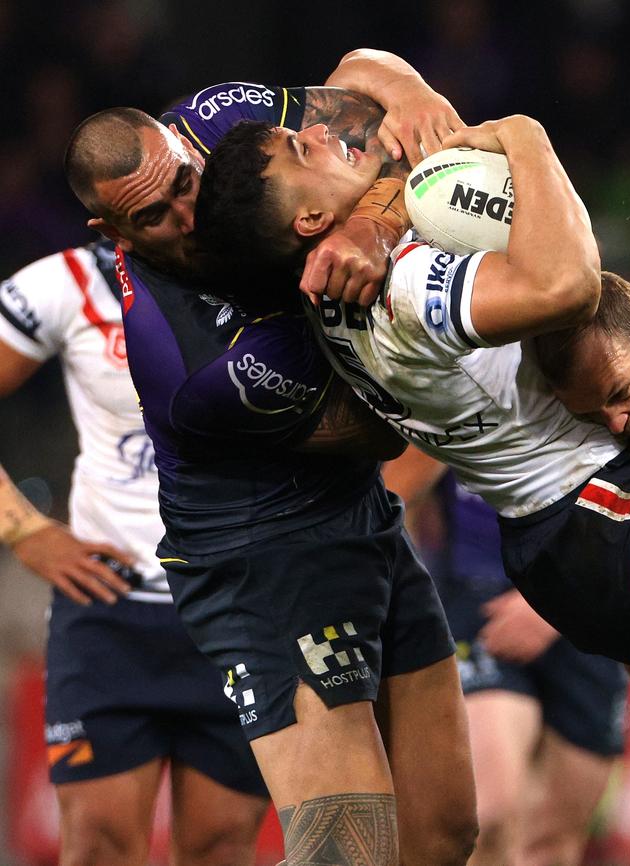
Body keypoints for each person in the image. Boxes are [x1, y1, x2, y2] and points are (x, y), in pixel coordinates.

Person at [63, 55, 479, 866]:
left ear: (182, 147)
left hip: (362, 518)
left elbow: (368, 78)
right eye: (154, 219)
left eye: (185, 184)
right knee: (346, 853)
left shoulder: (216, 124)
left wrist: (374, 216)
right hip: (263, 556)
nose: (188, 217)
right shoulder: (192, 365)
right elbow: (382, 432)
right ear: (109, 234)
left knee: (442, 837)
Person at [194, 113, 630, 678]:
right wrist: (528, 135)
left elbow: (365, 69)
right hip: (595, 512)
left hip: (555, 543)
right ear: (310, 218)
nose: (316, 132)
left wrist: (381, 211)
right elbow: (566, 288)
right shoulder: (402, 287)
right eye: (299, 149)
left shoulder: (324, 292)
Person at [0, 240, 270, 866]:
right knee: (97, 847)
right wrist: (24, 530)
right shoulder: (70, 280)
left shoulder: (274, 269)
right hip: (109, 612)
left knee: (222, 849)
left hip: (243, 608)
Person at [383, 448, 627, 866]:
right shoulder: (452, 386)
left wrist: (552, 606)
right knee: (488, 816)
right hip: (477, 606)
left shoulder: (615, 397)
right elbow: (392, 496)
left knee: (551, 843)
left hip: (589, 605)